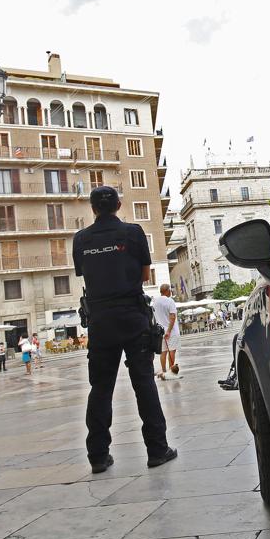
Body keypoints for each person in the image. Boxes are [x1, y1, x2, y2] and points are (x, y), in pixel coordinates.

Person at [74, 185, 176, 473]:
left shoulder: (81, 239)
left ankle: (98, 455)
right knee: (144, 382)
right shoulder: (133, 233)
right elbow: (145, 274)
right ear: (119, 205)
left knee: (101, 387)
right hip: (132, 316)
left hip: (100, 320)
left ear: (93, 208)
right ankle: (157, 450)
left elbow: (86, 274)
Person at [151, 284, 180, 380]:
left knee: (163, 352)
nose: (171, 292)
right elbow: (172, 317)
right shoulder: (170, 301)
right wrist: (168, 331)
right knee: (172, 351)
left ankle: (163, 371)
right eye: (170, 290)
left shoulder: (155, 302)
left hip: (160, 331)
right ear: (167, 291)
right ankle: (170, 372)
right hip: (171, 331)